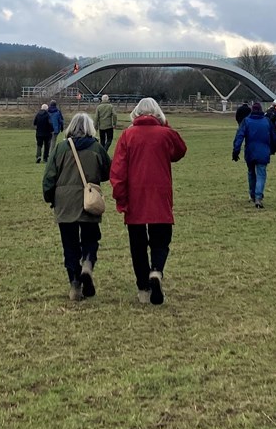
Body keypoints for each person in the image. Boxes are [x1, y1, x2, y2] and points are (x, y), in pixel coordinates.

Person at [110, 98, 187, 306]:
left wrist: (120, 197)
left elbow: (117, 171)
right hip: (160, 195)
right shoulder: (165, 134)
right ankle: (157, 270)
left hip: (135, 197)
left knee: (137, 245)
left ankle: (143, 287)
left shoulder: (127, 135)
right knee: (161, 240)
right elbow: (179, 150)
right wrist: (165, 125)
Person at [42, 113, 112, 301]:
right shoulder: (97, 147)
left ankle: (74, 284)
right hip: (88, 200)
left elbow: (49, 176)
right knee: (91, 237)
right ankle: (88, 262)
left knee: (69, 244)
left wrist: (50, 197)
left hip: (65, 202)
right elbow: (108, 171)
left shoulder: (60, 148)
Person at [233, 102, 276, 208]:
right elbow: (275, 137)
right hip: (263, 151)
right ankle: (258, 196)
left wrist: (236, 151)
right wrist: (272, 150)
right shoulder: (267, 121)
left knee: (251, 173)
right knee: (261, 174)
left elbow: (239, 136)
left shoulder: (247, 121)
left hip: (250, 151)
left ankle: (252, 194)